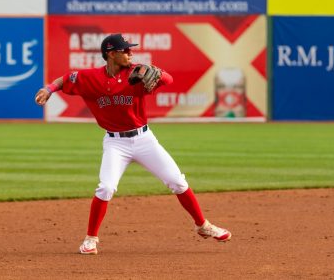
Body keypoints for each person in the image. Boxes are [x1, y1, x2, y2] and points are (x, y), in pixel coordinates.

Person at [35, 33, 231, 255]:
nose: (130, 53)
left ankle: (203, 225)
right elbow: (65, 79)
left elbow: (168, 80)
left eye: (130, 50)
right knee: (106, 187)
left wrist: (153, 71)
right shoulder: (90, 77)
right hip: (115, 143)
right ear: (111, 54)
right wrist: (48, 89)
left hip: (143, 139)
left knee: (177, 181)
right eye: (125, 50)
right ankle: (91, 239)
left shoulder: (136, 73)